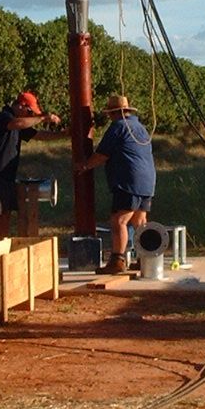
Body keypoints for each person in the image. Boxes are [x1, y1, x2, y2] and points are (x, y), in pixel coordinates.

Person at [75, 93, 156, 275]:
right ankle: (145, 259)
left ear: (114, 113)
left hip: (129, 180)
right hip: (148, 181)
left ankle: (117, 260)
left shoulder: (118, 127)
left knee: (119, 220)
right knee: (140, 221)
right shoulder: (140, 128)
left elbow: (102, 154)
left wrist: (85, 166)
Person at [0, 91, 61, 242]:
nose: (31, 116)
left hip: (7, 177)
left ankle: (1, 251)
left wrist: (64, 135)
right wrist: (42, 118)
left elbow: (38, 135)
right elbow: (16, 124)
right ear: (21, 106)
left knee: (6, 216)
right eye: (30, 112)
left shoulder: (19, 124)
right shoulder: (4, 117)